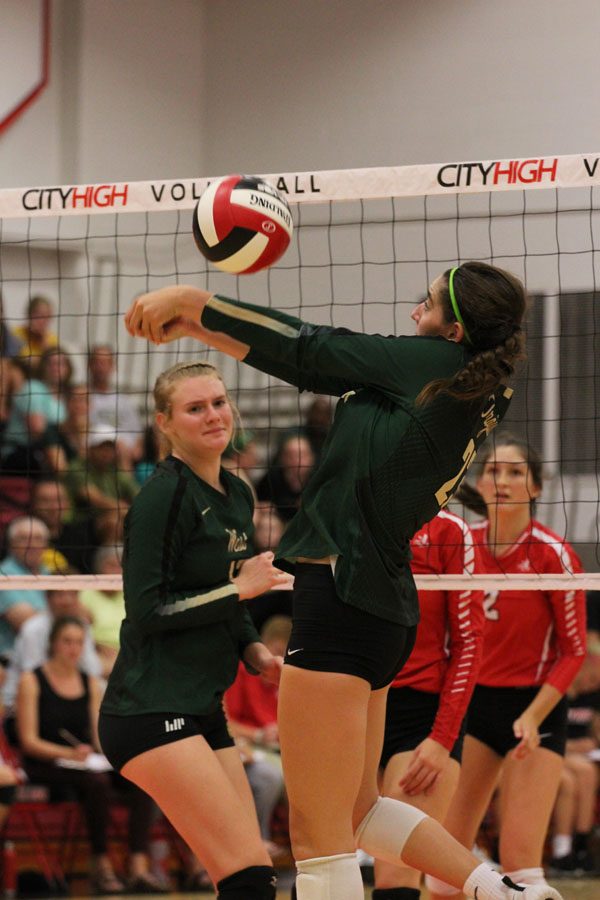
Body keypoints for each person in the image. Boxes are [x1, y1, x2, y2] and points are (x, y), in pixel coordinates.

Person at [123, 262, 564, 900]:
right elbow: (309, 361)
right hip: (378, 605)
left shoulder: (428, 364)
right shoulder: (468, 380)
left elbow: (310, 347)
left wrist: (195, 301)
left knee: (318, 839)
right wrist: (194, 323)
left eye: (429, 303)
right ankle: (497, 890)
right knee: (358, 814)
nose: (417, 311)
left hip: (341, 594)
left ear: (454, 326)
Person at [98, 361, 291, 900]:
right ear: (165, 422)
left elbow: (232, 601)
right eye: (195, 407)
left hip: (203, 706)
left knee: (247, 877)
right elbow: (147, 612)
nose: (213, 415)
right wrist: (239, 592)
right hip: (149, 709)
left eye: (218, 402)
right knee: (249, 873)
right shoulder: (163, 497)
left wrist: (254, 651)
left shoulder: (237, 493)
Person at [427, 435, 587, 898]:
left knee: (521, 865)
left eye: (516, 472)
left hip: (532, 708)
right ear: (480, 482)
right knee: (444, 865)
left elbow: (574, 650)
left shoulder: (553, 554)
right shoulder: (462, 544)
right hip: (472, 705)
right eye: (494, 470)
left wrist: (533, 717)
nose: (503, 480)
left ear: (535, 487)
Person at [373, 510, 485, 900]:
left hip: (420, 717)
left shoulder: (449, 531)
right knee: (324, 862)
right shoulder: (351, 514)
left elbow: (469, 642)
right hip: (356, 704)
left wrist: (442, 737)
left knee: (394, 879)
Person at [17, 615, 163, 894]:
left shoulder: (90, 682)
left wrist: (117, 753)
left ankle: (138, 864)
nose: (72, 648)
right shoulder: (32, 680)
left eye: (78, 643)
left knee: (139, 778)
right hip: (46, 763)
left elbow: (98, 738)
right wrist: (68, 752)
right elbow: (29, 741)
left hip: (83, 762)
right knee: (97, 783)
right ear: (53, 644)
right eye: (67, 642)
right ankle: (101, 863)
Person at [0, 517, 50, 660]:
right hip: (11, 658)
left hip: (50, 656)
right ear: (11, 545)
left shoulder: (50, 573)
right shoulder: (3, 575)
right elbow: (26, 623)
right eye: (23, 539)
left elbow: (84, 615)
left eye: (38, 538)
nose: (32, 544)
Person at [88, 343, 143, 469]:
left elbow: (137, 435)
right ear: (89, 366)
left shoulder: (125, 401)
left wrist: (136, 448)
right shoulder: (82, 397)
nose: (101, 367)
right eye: (97, 362)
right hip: (95, 449)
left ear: (113, 366)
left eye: (105, 363)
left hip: (123, 452)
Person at [79, 546, 125, 677]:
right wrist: (98, 646)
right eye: (111, 565)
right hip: (96, 653)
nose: (116, 571)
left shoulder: (131, 594)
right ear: (98, 568)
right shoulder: (84, 595)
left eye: (120, 566)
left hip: (130, 651)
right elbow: (77, 631)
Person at [256, 433, 315, 523]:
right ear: (282, 458)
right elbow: (258, 503)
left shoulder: (318, 478)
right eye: (291, 455)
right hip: (277, 526)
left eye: (302, 455)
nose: (296, 460)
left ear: (311, 457)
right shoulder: (272, 478)